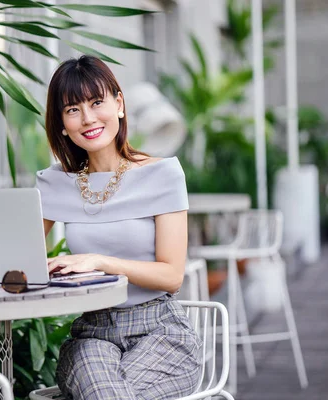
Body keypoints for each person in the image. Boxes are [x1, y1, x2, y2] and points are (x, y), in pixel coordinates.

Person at [35, 55, 201, 400]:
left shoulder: (162, 174)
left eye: (97, 102)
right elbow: (17, 259)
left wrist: (100, 262)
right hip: (92, 334)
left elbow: (172, 276)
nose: (88, 118)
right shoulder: (55, 184)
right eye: (73, 109)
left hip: (160, 331)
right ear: (62, 123)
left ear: (119, 104)